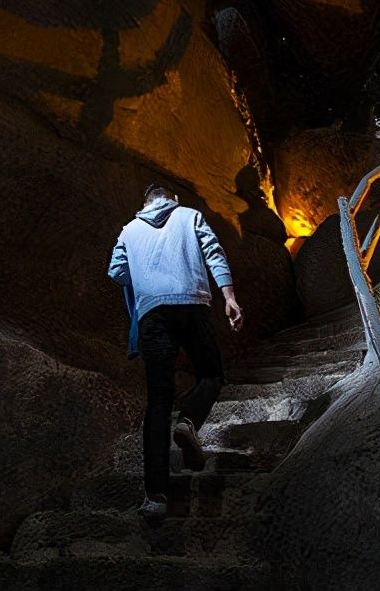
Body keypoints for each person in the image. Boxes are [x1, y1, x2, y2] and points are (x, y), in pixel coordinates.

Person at [108, 184, 244, 520]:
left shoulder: (129, 230)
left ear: (144, 203)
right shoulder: (189, 215)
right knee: (212, 373)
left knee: (157, 401)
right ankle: (188, 421)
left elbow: (115, 271)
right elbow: (214, 251)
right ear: (174, 200)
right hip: (191, 304)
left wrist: (145, 276)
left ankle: (155, 497)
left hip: (152, 313)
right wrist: (228, 296)